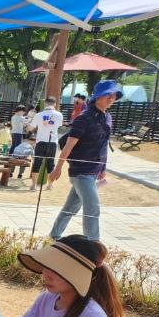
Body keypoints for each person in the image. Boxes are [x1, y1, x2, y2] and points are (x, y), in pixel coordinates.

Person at [48, 80, 121, 242]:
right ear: (98, 97)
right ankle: (93, 243)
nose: (111, 98)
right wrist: (58, 168)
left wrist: (102, 167)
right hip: (80, 171)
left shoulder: (107, 117)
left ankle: (54, 235)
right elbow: (69, 145)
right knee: (92, 209)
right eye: (108, 95)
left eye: (114, 95)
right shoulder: (84, 118)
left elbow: (103, 145)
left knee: (70, 208)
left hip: (94, 171)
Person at [27, 95, 63, 191]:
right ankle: (50, 185)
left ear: (45, 104)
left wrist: (28, 121)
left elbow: (30, 128)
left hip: (40, 141)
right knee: (50, 163)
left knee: (37, 163)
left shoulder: (38, 115)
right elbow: (59, 125)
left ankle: (34, 185)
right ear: (55, 104)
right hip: (52, 142)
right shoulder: (59, 115)